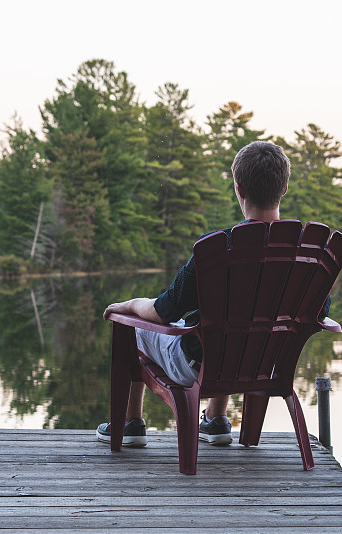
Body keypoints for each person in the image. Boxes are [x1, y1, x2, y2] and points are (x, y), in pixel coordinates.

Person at [97, 141, 307, 448]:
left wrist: (129, 306)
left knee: (133, 327)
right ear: (284, 188)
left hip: (200, 368)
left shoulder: (218, 250)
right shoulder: (303, 254)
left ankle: (130, 425)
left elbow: (163, 311)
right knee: (233, 329)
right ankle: (215, 421)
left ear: (239, 190)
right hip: (268, 364)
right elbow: (319, 308)